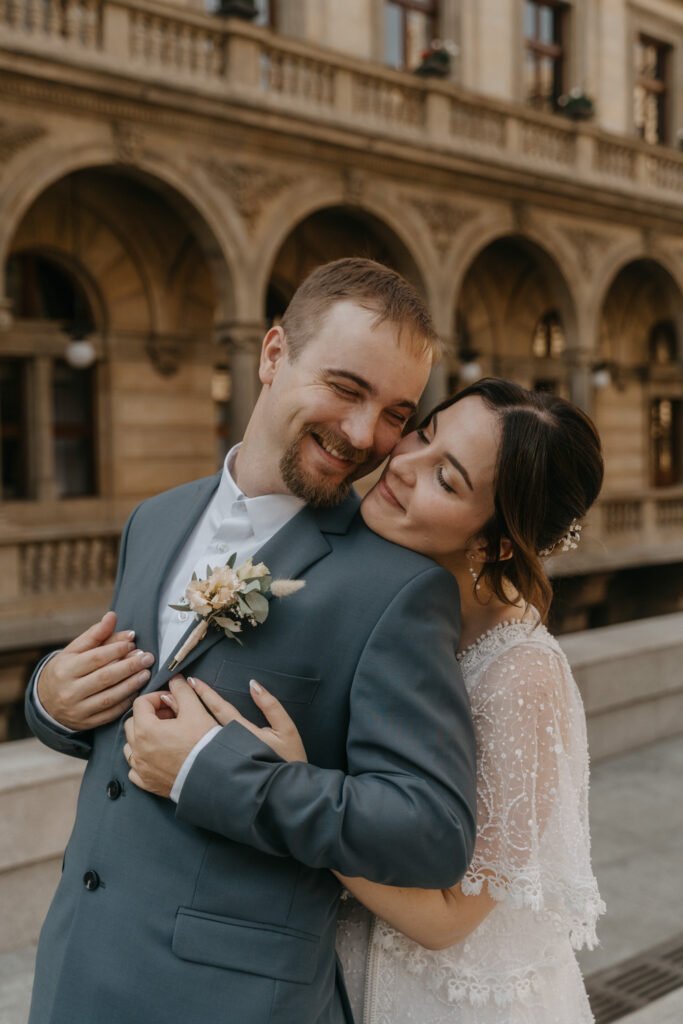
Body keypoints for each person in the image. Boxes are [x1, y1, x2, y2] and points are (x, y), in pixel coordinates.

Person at [25, 258, 477, 1024]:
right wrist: (50, 699)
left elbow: (431, 833)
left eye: (395, 413)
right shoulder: (155, 519)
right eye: (346, 388)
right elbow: (125, 719)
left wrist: (213, 771)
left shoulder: (397, 589)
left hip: (236, 1001)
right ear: (273, 354)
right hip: (76, 972)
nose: (364, 435)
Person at [183, 379, 606, 1024]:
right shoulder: (366, 578)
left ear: (496, 543)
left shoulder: (523, 677)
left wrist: (288, 786)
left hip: (440, 999)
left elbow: (448, 920)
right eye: (424, 434)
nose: (403, 466)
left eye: (446, 478)